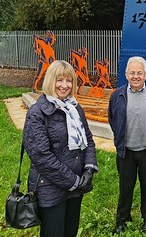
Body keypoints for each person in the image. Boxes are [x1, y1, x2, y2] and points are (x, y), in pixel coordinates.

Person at [23, 60, 98, 237]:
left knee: (70, 232)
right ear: (50, 81)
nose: (64, 86)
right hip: (50, 187)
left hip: (76, 186)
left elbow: (88, 140)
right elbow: (42, 157)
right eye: (60, 80)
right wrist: (73, 181)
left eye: (69, 80)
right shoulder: (37, 113)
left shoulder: (74, 108)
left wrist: (88, 168)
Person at [108, 56, 146, 234]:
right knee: (125, 187)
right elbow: (113, 119)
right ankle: (122, 220)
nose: (136, 76)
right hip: (125, 151)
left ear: (145, 75)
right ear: (126, 74)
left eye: (139, 73)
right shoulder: (117, 95)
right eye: (132, 73)